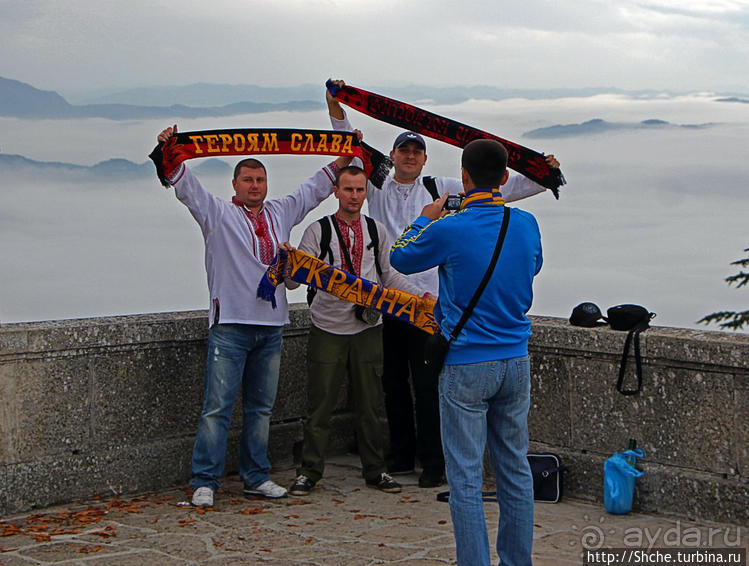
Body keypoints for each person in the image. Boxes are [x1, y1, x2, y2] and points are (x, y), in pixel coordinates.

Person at [326, 81, 559, 488]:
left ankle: (433, 463)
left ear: (425, 157)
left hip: (433, 303)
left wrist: (543, 173)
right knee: (393, 382)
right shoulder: (377, 182)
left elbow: (500, 187)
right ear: (393, 155)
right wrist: (335, 106)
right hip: (388, 300)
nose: (410, 156)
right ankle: (401, 454)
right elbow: (349, 144)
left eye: (417, 151)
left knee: (431, 383)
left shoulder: (439, 188)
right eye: (404, 150)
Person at [155, 124, 356, 508]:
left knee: (261, 409)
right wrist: (169, 149)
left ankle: (256, 476)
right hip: (230, 324)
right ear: (235, 184)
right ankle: (205, 480)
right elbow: (183, 182)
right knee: (217, 408)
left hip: (272, 326)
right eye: (247, 179)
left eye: (260, 179)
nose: (254, 185)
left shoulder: (280, 212)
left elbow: (313, 188)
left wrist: (346, 151)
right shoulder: (216, 212)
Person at [389, 138, 542, 566]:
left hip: (466, 364)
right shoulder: (527, 224)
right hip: (516, 359)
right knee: (514, 470)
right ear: (506, 178)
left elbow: (400, 260)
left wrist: (422, 219)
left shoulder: (449, 228)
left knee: (466, 478)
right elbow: (533, 266)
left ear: (465, 178)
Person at [283, 165, 424, 496]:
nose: (355, 196)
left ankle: (376, 470)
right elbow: (292, 281)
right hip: (327, 327)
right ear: (336, 191)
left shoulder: (377, 231)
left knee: (371, 404)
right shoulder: (318, 231)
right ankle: (309, 471)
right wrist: (289, 261)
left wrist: (421, 297)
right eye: (348, 189)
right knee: (320, 405)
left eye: (360, 190)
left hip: (368, 327)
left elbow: (389, 276)